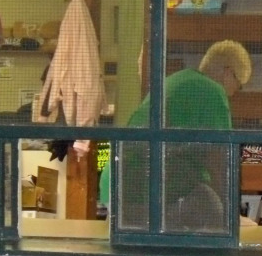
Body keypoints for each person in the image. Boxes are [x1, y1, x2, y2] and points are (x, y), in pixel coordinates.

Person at [102, 40, 251, 230]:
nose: (235, 92)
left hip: (117, 184)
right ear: (228, 73)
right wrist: (231, 217)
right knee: (210, 210)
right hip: (142, 190)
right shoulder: (212, 91)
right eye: (239, 84)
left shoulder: (176, 81)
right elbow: (220, 161)